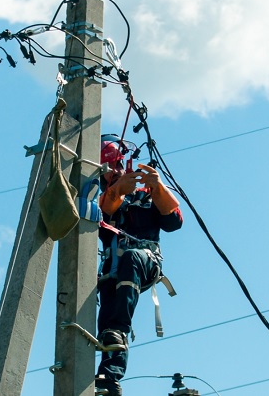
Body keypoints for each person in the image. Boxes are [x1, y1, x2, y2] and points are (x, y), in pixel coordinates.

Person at [95, 135, 183, 396]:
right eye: (112, 169)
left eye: (119, 166)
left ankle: (118, 331)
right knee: (108, 321)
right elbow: (104, 214)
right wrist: (117, 190)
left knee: (131, 260)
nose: (118, 172)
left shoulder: (146, 195)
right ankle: (108, 381)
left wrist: (158, 188)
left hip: (145, 260)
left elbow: (173, 223)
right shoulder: (99, 197)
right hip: (114, 269)